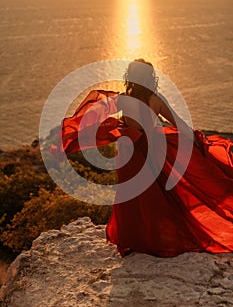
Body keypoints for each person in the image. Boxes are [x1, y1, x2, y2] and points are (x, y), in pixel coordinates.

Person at [61, 59, 233, 258]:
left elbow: (92, 117)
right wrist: (200, 143)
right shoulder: (156, 99)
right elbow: (178, 123)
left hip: (129, 151)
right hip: (155, 149)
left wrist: (106, 128)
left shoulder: (123, 99)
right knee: (161, 195)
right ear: (150, 77)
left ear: (130, 77)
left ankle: (135, 239)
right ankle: (160, 237)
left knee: (133, 195)